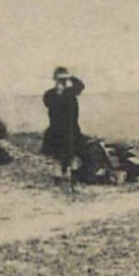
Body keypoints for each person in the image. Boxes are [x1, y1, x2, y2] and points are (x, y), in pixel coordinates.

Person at [41, 67, 85, 195]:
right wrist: (59, 92)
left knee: (72, 153)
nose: (61, 82)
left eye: (63, 80)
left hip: (71, 129)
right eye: (59, 80)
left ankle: (71, 178)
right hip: (56, 129)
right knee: (58, 155)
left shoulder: (71, 92)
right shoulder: (50, 94)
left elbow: (81, 85)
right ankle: (58, 178)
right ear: (55, 80)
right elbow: (48, 103)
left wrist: (70, 76)